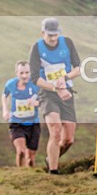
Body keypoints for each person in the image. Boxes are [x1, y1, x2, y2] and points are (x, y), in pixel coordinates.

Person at [29, 17, 81, 175]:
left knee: (68, 140)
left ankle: (50, 159)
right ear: (42, 32)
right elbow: (35, 78)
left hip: (67, 93)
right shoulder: (37, 48)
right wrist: (54, 87)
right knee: (55, 130)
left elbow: (78, 69)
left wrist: (64, 79)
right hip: (47, 94)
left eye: (55, 35)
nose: (53, 38)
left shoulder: (68, 43)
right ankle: (53, 171)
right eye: (49, 35)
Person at [1, 61, 40, 167]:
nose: (24, 76)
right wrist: (5, 110)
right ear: (16, 73)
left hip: (33, 123)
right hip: (16, 123)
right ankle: (20, 172)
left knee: (30, 159)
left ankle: (30, 177)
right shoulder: (10, 84)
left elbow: (46, 99)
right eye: (21, 73)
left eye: (27, 72)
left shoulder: (36, 84)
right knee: (21, 151)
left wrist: (36, 102)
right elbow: (5, 96)